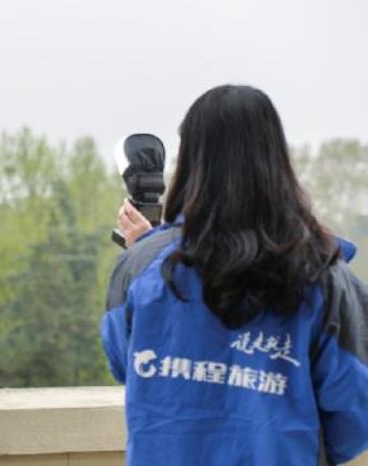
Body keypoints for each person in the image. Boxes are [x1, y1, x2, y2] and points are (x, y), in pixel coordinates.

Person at [101, 85, 368, 466]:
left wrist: (147, 248)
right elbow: (354, 413)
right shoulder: (324, 276)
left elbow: (123, 362)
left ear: (191, 162)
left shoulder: (141, 267)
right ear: (275, 159)